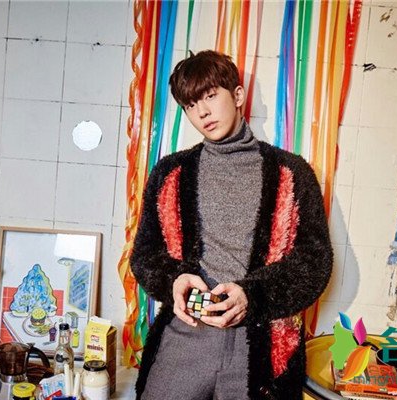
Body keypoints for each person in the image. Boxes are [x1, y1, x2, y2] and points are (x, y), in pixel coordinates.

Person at [130, 50, 333, 400]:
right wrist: (174, 279)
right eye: (191, 105)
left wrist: (252, 296)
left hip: (258, 343)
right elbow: (145, 254)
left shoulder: (291, 173)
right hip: (187, 334)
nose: (202, 112)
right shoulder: (171, 173)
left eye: (210, 96)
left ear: (237, 96)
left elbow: (314, 262)